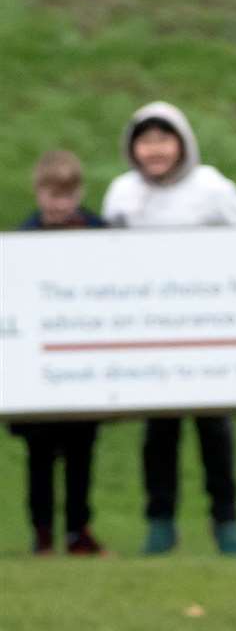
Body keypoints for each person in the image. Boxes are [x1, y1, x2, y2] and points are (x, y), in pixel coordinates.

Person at [102, 101, 236, 556]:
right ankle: (159, 524)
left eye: (163, 139)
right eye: (145, 140)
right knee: (159, 434)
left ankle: (227, 524)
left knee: (214, 432)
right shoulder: (122, 194)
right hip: (151, 337)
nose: (154, 150)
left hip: (209, 334)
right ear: (132, 147)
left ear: (182, 142)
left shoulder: (213, 188)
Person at [10, 151, 106, 556]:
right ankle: (43, 532)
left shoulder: (101, 235)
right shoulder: (21, 241)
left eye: (67, 195)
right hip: (38, 372)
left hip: (83, 365)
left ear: (79, 193)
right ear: (38, 193)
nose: (59, 203)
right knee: (40, 456)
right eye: (52, 194)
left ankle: (78, 530)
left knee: (82, 453)